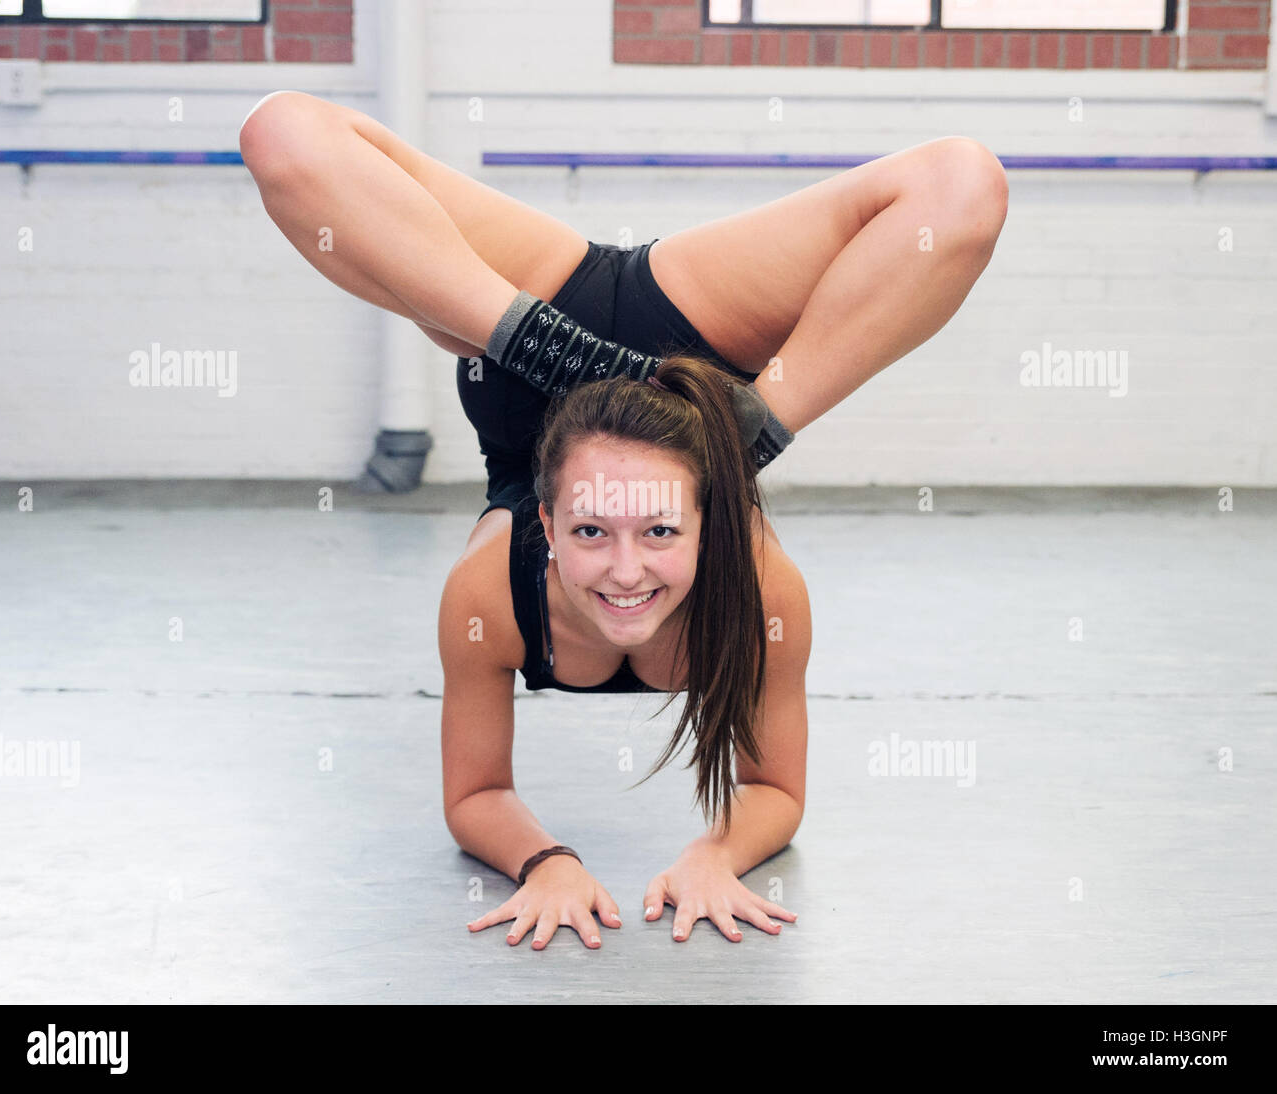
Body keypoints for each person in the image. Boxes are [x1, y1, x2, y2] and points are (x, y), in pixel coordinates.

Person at [238, 92, 1009, 948]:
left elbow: (773, 793)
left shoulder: (757, 600)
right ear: (548, 523)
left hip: (531, 347)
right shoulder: (494, 598)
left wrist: (716, 855)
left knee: (966, 183)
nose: (628, 572)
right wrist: (547, 861)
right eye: (594, 534)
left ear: (707, 522)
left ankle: (725, 429)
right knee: (281, 134)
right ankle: (696, 414)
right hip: (628, 347)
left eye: (661, 533)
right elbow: (478, 798)